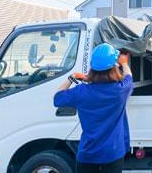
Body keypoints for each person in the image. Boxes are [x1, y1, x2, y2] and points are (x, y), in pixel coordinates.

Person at [53, 43, 134, 173]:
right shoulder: (120, 90)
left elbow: (57, 98)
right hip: (113, 153)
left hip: (88, 154)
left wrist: (72, 77)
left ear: (92, 67)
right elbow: (129, 78)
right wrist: (124, 63)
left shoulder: (81, 91)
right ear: (114, 67)